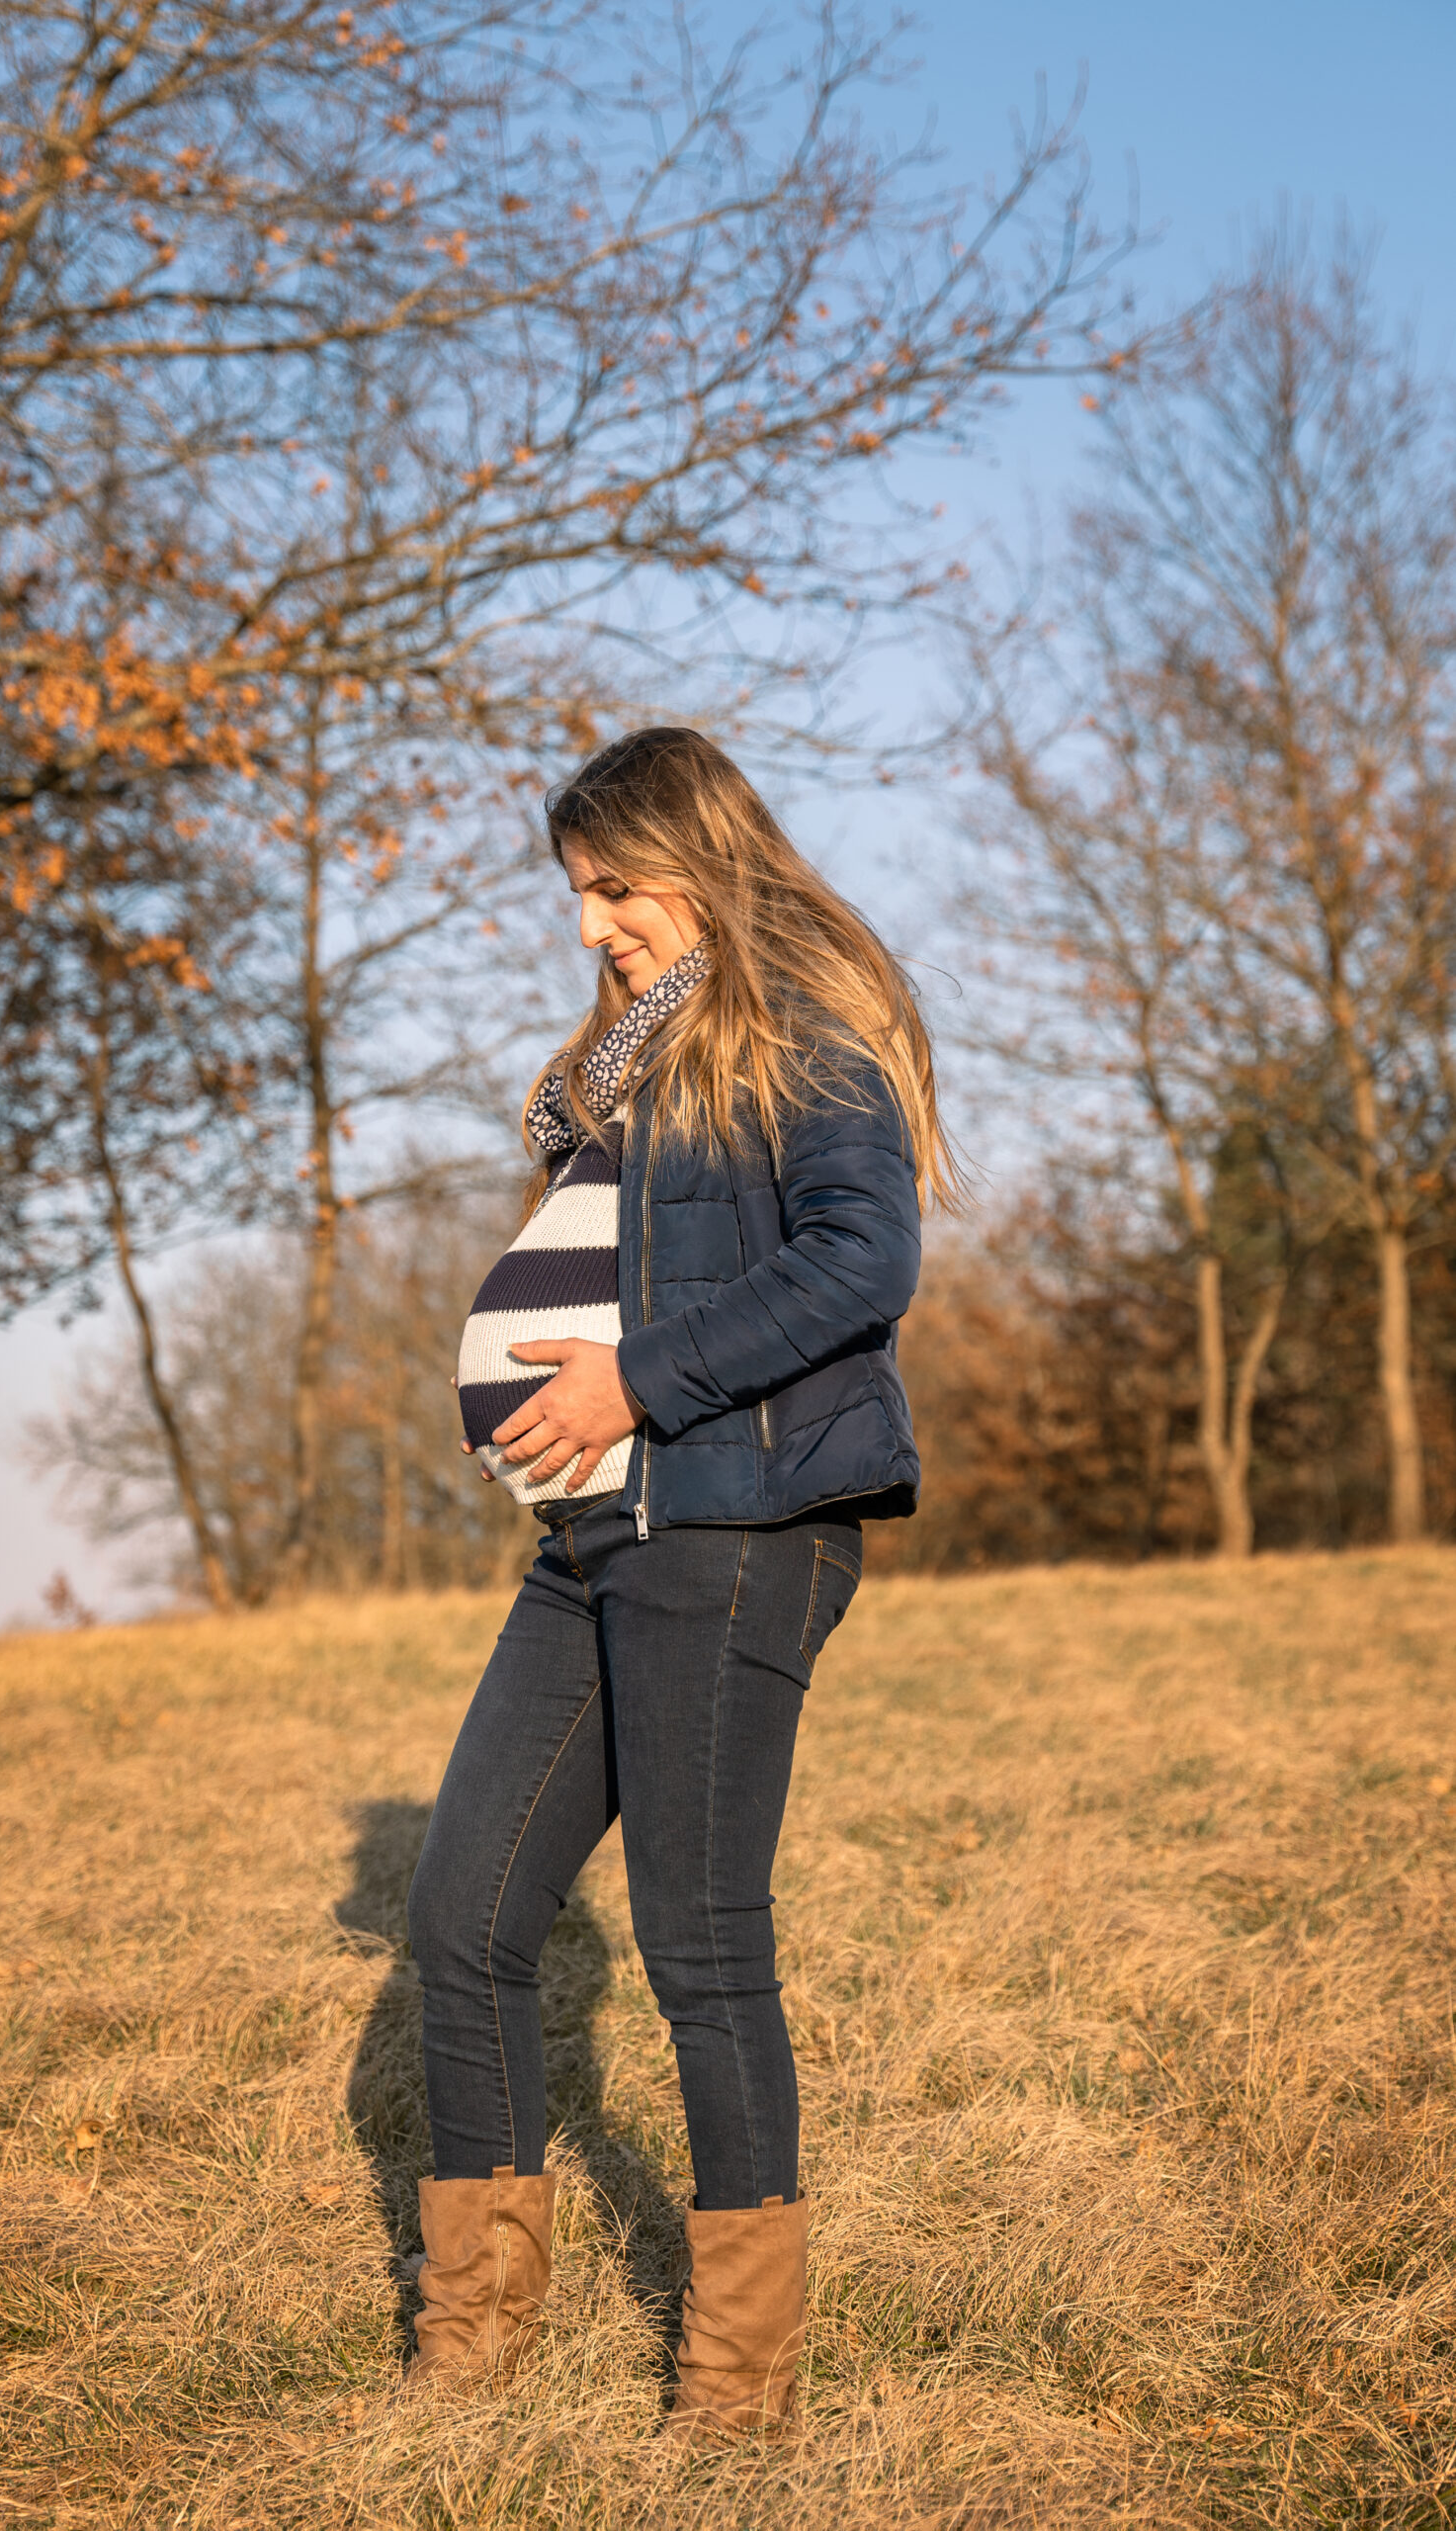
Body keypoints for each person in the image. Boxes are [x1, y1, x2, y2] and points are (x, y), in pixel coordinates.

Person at [405, 725, 954, 2435]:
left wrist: (632, 1377)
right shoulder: (633, 1063)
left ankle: (734, 2396)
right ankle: (473, 2351)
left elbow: (864, 1257)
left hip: (733, 1529)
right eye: (578, 895)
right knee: (463, 1914)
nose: (591, 929)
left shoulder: (798, 1022)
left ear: (698, 858)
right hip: (595, 1537)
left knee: (698, 1944)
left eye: (614, 889)